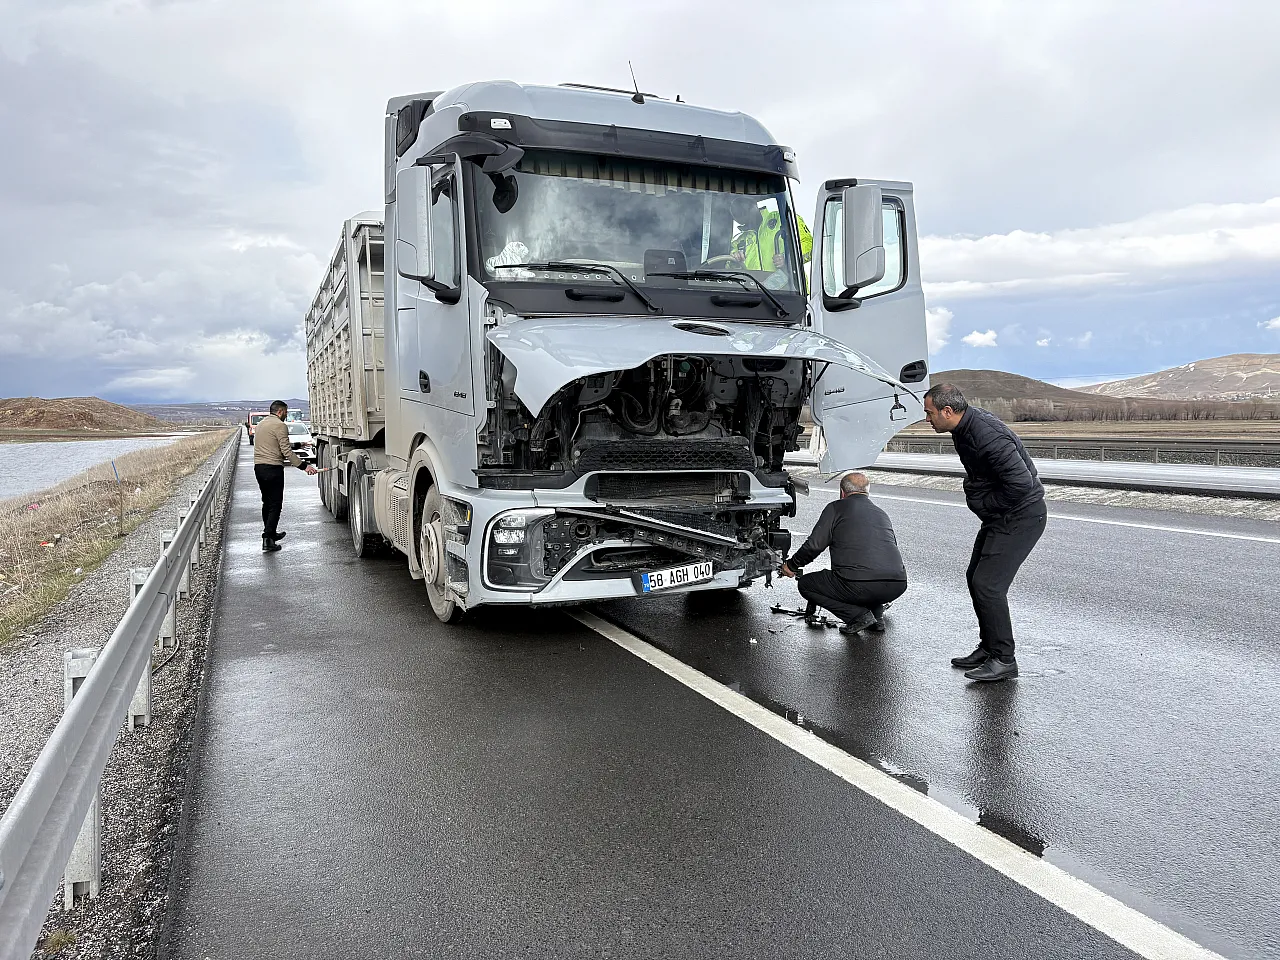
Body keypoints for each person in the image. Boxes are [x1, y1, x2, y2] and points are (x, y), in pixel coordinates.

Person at [922, 383, 1047, 682]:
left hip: (1021, 516)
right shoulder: (964, 428)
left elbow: (1021, 483)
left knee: (988, 585)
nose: (927, 420)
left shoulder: (985, 435)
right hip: (1004, 515)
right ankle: (989, 647)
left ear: (947, 411)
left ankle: (1004, 659)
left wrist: (986, 504)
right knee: (975, 577)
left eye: (929, 413)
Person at [779, 472, 907, 635]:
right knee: (870, 575)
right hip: (897, 584)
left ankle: (858, 617)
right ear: (867, 492)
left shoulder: (836, 508)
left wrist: (791, 565)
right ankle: (876, 619)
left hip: (859, 584)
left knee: (806, 584)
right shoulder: (881, 513)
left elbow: (814, 546)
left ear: (842, 492)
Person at [253, 400, 318, 552]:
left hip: (259, 468)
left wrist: (299, 445)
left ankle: (270, 533)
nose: (286, 416)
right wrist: (304, 466)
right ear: (281, 412)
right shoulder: (280, 425)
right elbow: (286, 452)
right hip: (273, 469)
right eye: (286, 413)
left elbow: (274, 444)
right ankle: (268, 539)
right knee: (275, 504)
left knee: (267, 503)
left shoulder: (262, 424)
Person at [729, 196, 813, 272]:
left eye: (744, 209)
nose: (743, 214)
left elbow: (810, 246)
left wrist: (788, 258)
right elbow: (729, 270)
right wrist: (735, 262)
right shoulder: (739, 242)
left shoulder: (784, 219)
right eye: (737, 213)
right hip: (752, 288)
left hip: (788, 287)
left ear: (754, 204)